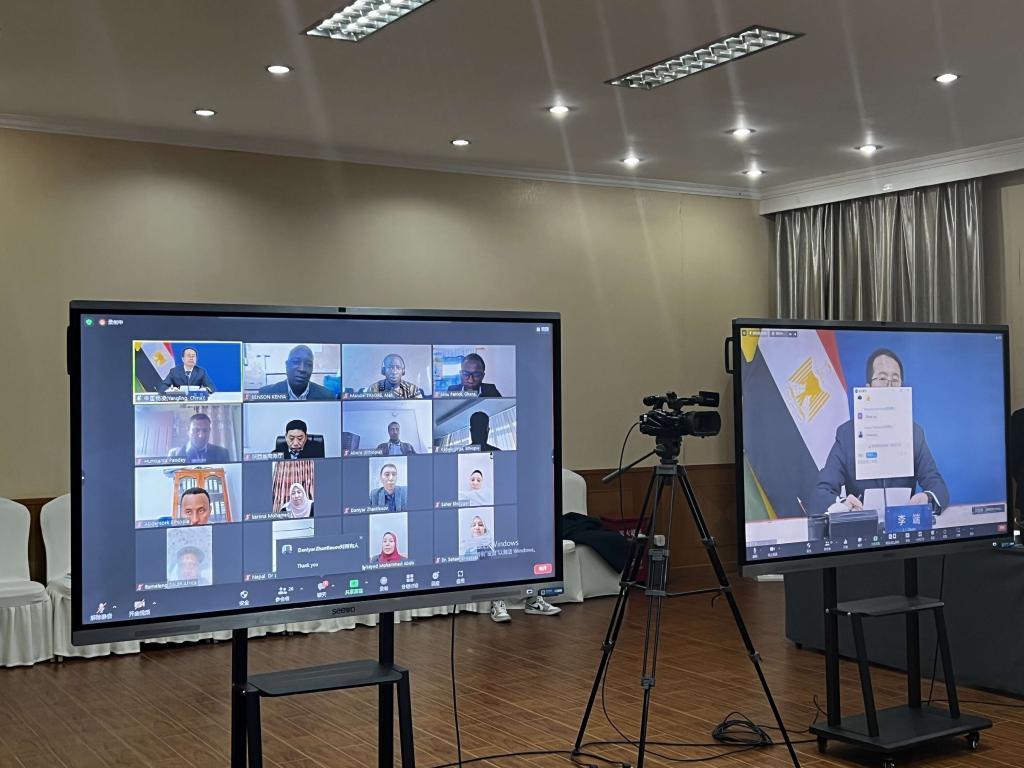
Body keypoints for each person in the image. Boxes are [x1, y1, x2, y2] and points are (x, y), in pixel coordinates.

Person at [812, 348, 949, 515]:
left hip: (903, 525)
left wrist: (927, 497)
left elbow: (939, 488)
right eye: (882, 378)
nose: (889, 386)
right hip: (863, 525)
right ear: (868, 387)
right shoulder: (847, 435)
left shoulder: (915, 433)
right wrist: (843, 505)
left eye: (895, 380)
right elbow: (821, 493)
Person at [258, 345, 337, 400]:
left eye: (308, 364)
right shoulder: (266, 394)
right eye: (296, 362)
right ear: (287, 365)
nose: (302, 369)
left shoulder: (327, 396)